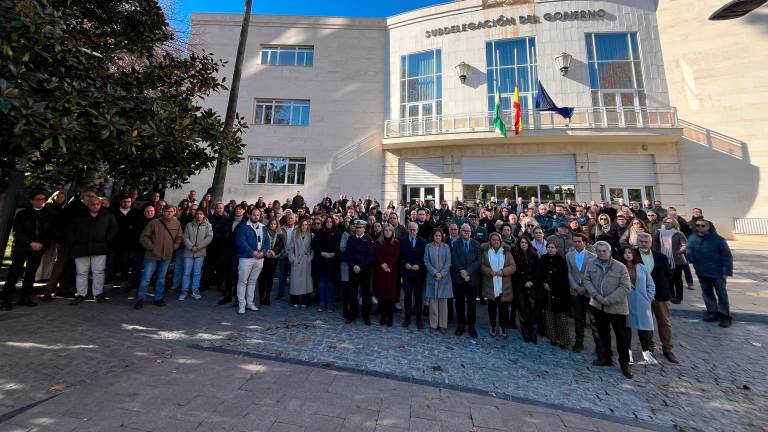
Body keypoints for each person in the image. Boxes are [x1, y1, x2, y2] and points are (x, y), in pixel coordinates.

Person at [584, 241, 633, 379]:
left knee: (621, 337)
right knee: (602, 334)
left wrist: (609, 299)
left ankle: (624, 363)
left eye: (604, 251)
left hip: (616, 308)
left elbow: (625, 287)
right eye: (599, 251)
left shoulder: (620, 267)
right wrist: (597, 296)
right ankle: (606, 358)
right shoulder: (592, 263)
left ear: (610, 252)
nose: (601, 253)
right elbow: (587, 280)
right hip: (598, 305)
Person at [1, 191, 54, 310]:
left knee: (31, 274)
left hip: (39, 248)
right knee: (14, 273)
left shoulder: (48, 214)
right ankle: (6, 300)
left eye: (42, 199)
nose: (40, 201)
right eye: (37, 199)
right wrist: (30, 243)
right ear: (32, 200)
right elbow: (16, 232)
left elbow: (50, 232)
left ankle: (25, 298)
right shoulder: (22, 214)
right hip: (22, 247)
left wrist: (42, 244)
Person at [636, 232, 679, 363]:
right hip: (642, 296)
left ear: (651, 243)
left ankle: (668, 349)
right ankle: (648, 349)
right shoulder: (631, 255)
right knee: (645, 324)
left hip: (660, 295)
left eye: (646, 242)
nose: (643, 244)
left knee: (664, 323)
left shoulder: (661, 257)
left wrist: (669, 293)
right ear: (637, 242)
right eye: (641, 241)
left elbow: (669, 275)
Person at [686, 219, 733, 328]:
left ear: (708, 227)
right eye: (698, 225)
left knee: (722, 294)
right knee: (707, 293)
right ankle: (712, 312)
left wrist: (726, 271)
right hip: (702, 271)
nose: (700, 227)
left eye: (703, 225)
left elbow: (727, 256)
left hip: (718, 273)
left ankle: (725, 316)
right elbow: (689, 250)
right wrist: (691, 259)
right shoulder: (692, 238)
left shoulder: (719, 240)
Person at [134, 206, 183, 309]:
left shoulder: (177, 223)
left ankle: (158, 298)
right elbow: (143, 236)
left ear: (174, 212)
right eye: (166, 211)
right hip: (151, 255)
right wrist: (151, 247)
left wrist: (175, 246)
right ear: (162, 212)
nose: (169, 213)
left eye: (171, 211)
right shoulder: (154, 223)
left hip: (166, 255)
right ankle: (140, 299)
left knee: (161, 278)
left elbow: (179, 237)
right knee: (146, 278)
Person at [621, 246, 657, 364]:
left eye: (630, 252)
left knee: (644, 329)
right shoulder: (619, 267)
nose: (627, 254)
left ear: (634, 254)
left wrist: (649, 298)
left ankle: (646, 354)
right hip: (625, 302)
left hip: (642, 302)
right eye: (625, 252)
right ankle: (628, 355)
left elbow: (650, 284)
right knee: (626, 329)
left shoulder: (641, 267)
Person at [566, 233, 600, 353]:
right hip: (576, 292)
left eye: (579, 241)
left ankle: (599, 345)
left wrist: (585, 287)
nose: (577, 243)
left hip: (589, 292)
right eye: (574, 241)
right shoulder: (569, 256)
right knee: (578, 318)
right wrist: (575, 287)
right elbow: (569, 273)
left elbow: (594, 275)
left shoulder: (592, 256)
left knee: (594, 320)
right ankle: (579, 342)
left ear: (584, 242)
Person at [234, 208, 270, 315]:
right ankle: (242, 304)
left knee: (253, 281)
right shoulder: (243, 227)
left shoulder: (263, 227)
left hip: (259, 258)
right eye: (254, 215)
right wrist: (252, 252)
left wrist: (263, 252)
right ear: (250, 215)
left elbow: (267, 242)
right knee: (242, 282)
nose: (256, 217)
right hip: (246, 258)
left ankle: (250, 302)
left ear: (260, 216)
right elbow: (241, 242)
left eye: (258, 215)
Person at [481, 232, 516, 337]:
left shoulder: (506, 252)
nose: (495, 241)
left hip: (503, 285)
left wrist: (503, 271)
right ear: (490, 241)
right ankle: (492, 325)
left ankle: (502, 326)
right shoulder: (486, 252)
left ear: (501, 241)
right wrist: (489, 271)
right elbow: (482, 266)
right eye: (493, 240)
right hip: (491, 284)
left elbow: (513, 266)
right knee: (491, 307)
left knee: (503, 308)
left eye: (497, 240)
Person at [450, 224, 482, 338]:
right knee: (459, 303)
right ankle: (461, 324)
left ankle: (471, 325)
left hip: (471, 278)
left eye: (468, 231)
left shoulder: (476, 244)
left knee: (472, 304)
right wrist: (462, 271)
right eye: (464, 231)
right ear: (461, 231)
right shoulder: (456, 244)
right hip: (459, 278)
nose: (467, 233)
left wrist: (468, 272)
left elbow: (478, 261)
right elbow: (454, 259)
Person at [539, 241, 570, 349]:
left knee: (561, 317)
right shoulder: (543, 259)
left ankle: (563, 340)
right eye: (548, 247)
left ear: (556, 249)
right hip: (546, 292)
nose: (550, 249)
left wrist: (552, 286)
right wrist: (544, 283)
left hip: (559, 293)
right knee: (549, 316)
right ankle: (552, 338)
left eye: (553, 247)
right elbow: (540, 273)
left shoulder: (561, 261)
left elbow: (563, 278)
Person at [178, 208, 214, 301]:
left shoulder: (208, 225)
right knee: (186, 272)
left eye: (201, 214)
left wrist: (198, 247)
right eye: (197, 213)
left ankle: (194, 290)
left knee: (197, 272)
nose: (199, 215)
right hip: (189, 252)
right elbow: (185, 237)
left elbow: (209, 238)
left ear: (204, 215)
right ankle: (184, 290)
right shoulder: (189, 225)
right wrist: (191, 247)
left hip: (200, 252)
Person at [344, 220, 375, 325]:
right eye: (357, 228)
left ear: (364, 229)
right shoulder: (350, 238)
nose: (358, 229)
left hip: (364, 271)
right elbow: (347, 254)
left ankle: (365, 315)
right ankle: (352, 314)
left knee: (366, 294)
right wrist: (353, 265)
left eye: (360, 228)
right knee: (352, 293)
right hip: (353, 270)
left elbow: (370, 256)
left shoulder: (369, 239)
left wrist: (360, 266)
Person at [653, 217, 688, 304]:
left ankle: (679, 297)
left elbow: (685, 245)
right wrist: (657, 254)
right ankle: (670, 295)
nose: (667, 223)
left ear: (674, 224)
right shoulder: (659, 232)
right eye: (665, 222)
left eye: (669, 222)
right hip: (663, 259)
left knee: (677, 279)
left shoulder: (679, 233)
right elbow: (655, 243)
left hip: (676, 260)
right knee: (668, 278)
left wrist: (679, 252)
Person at [424, 228, 452, 333]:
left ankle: (443, 325)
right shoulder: (428, 247)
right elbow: (426, 261)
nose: (438, 237)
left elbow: (448, 262)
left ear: (442, 237)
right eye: (436, 236)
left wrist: (442, 273)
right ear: (433, 236)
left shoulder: (446, 247)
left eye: (439, 236)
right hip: (432, 277)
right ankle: (433, 324)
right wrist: (435, 273)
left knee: (443, 302)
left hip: (444, 277)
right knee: (433, 302)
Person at [400, 222, 427, 329]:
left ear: (417, 230)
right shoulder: (402, 241)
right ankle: (407, 318)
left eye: (414, 230)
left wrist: (419, 265)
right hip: (407, 273)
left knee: (418, 297)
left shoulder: (423, 242)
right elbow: (400, 256)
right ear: (408, 230)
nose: (412, 231)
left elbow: (425, 257)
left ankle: (419, 319)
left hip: (418, 274)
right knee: (407, 297)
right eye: (410, 229)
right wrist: (405, 263)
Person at [513, 236, 539, 343]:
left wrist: (532, 281)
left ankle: (533, 334)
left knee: (533, 310)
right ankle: (525, 333)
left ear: (528, 244)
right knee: (523, 310)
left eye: (525, 243)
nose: (523, 244)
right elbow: (516, 271)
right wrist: (524, 281)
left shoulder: (534, 254)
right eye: (521, 242)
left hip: (533, 285)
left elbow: (538, 270)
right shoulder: (515, 255)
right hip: (521, 285)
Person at [374, 224, 400, 326]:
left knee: (390, 294)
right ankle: (383, 316)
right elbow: (377, 254)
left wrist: (388, 264)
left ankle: (390, 317)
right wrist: (382, 264)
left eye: (390, 230)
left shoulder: (396, 242)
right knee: (382, 294)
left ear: (392, 232)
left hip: (392, 271)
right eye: (386, 230)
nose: (388, 232)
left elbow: (396, 255)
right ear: (383, 231)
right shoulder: (378, 242)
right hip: (381, 271)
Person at [312, 216, 339, 312]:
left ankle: (330, 303)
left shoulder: (337, 233)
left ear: (333, 223)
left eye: (330, 222)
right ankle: (322, 302)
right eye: (327, 221)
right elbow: (314, 246)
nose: (328, 223)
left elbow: (339, 247)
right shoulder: (319, 233)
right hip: (321, 261)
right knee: (321, 283)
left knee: (330, 284)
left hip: (332, 262)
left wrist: (333, 254)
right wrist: (321, 253)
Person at [258, 218, 285, 306]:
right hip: (263, 258)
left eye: (274, 224)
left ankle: (268, 297)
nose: (273, 225)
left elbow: (280, 245)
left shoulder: (280, 234)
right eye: (271, 224)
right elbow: (260, 243)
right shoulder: (263, 232)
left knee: (269, 279)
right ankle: (261, 297)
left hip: (273, 259)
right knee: (262, 278)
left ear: (277, 225)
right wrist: (266, 252)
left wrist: (273, 252)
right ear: (269, 224)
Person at [288, 219, 313, 308]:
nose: (304, 226)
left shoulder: (311, 235)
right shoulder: (295, 234)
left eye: (306, 225)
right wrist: (293, 259)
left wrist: (310, 258)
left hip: (306, 261)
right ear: (300, 225)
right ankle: (295, 300)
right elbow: (291, 248)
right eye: (302, 224)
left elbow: (312, 249)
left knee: (305, 282)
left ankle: (305, 301)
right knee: (296, 282)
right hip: (297, 261)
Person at [275, 210, 297, 301]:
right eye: (288, 218)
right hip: (283, 256)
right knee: (282, 276)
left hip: (294, 257)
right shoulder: (282, 229)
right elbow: (278, 243)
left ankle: (293, 294)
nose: (290, 219)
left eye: (291, 218)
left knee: (294, 276)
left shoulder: (298, 229)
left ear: (295, 219)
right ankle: (280, 293)